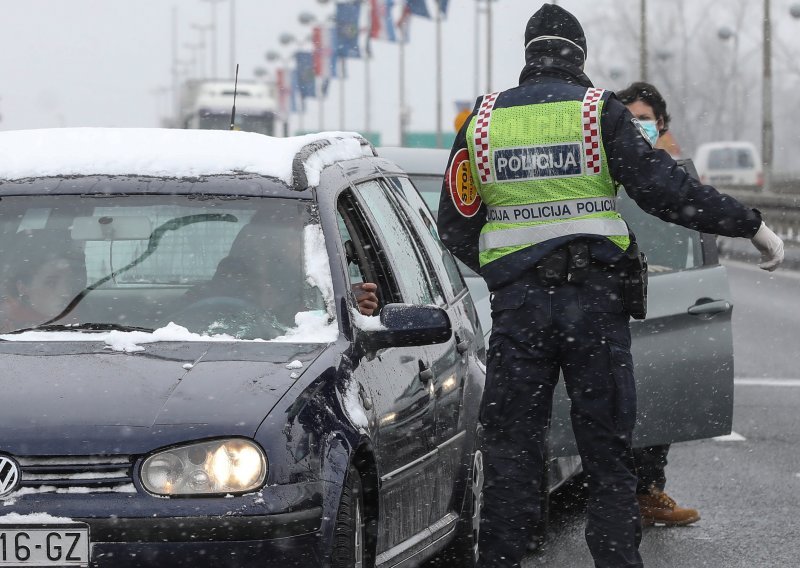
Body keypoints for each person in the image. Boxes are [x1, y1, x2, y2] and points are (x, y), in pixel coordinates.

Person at [436, 4, 784, 568]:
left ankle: (502, 557)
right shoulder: (600, 112)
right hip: (594, 308)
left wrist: (506, 271)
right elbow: (664, 189)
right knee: (607, 454)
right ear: (579, 55)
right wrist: (750, 224)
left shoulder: (482, 121)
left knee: (510, 454)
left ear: (528, 55)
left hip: (520, 311)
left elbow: (453, 223)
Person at [617, 80, 700, 527]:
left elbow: (687, 235)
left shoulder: (673, 176)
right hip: (609, 295)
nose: (637, 127)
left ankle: (648, 489)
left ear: (661, 124)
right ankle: (615, 490)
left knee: (657, 395)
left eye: (645, 120)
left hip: (663, 294)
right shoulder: (605, 170)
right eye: (629, 119)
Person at [0, 230, 86, 333]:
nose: (65, 292)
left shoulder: (94, 326)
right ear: (22, 287)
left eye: (69, 281)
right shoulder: (6, 332)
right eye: (51, 283)